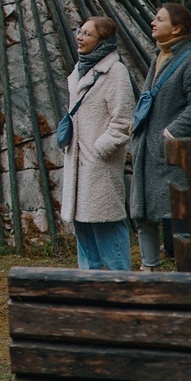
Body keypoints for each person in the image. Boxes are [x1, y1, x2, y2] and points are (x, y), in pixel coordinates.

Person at [129, 3, 191, 269]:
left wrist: (171, 133)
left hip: (174, 155)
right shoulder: (159, 57)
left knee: (177, 215)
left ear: (176, 28)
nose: (153, 22)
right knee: (143, 213)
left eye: (159, 19)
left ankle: (185, 272)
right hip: (148, 150)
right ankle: (149, 268)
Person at [59, 17, 136, 270]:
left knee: (108, 228)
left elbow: (124, 119)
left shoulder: (115, 73)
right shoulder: (80, 70)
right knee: (84, 230)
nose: (80, 37)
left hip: (99, 167)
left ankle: (121, 289)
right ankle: (89, 291)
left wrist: (100, 149)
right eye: (79, 32)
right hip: (78, 167)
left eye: (87, 34)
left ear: (102, 41)